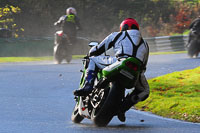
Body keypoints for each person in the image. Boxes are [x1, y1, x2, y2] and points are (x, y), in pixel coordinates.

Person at [74, 18, 150, 122]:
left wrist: (89, 54)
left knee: (92, 60)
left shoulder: (117, 35)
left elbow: (98, 49)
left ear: (124, 27)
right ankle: (123, 108)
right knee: (145, 91)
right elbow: (144, 66)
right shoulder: (145, 44)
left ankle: (88, 86)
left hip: (120, 61)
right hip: (136, 70)